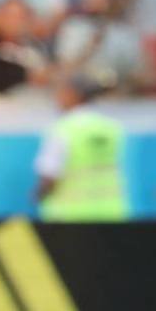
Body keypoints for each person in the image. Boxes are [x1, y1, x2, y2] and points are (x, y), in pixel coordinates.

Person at [34, 73, 129, 221]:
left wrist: (38, 196)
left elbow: (49, 175)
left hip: (69, 216)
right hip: (112, 213)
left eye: (61, 92)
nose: (57, 98)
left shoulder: (62, 129)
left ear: (73, 94)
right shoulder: (111, 128)